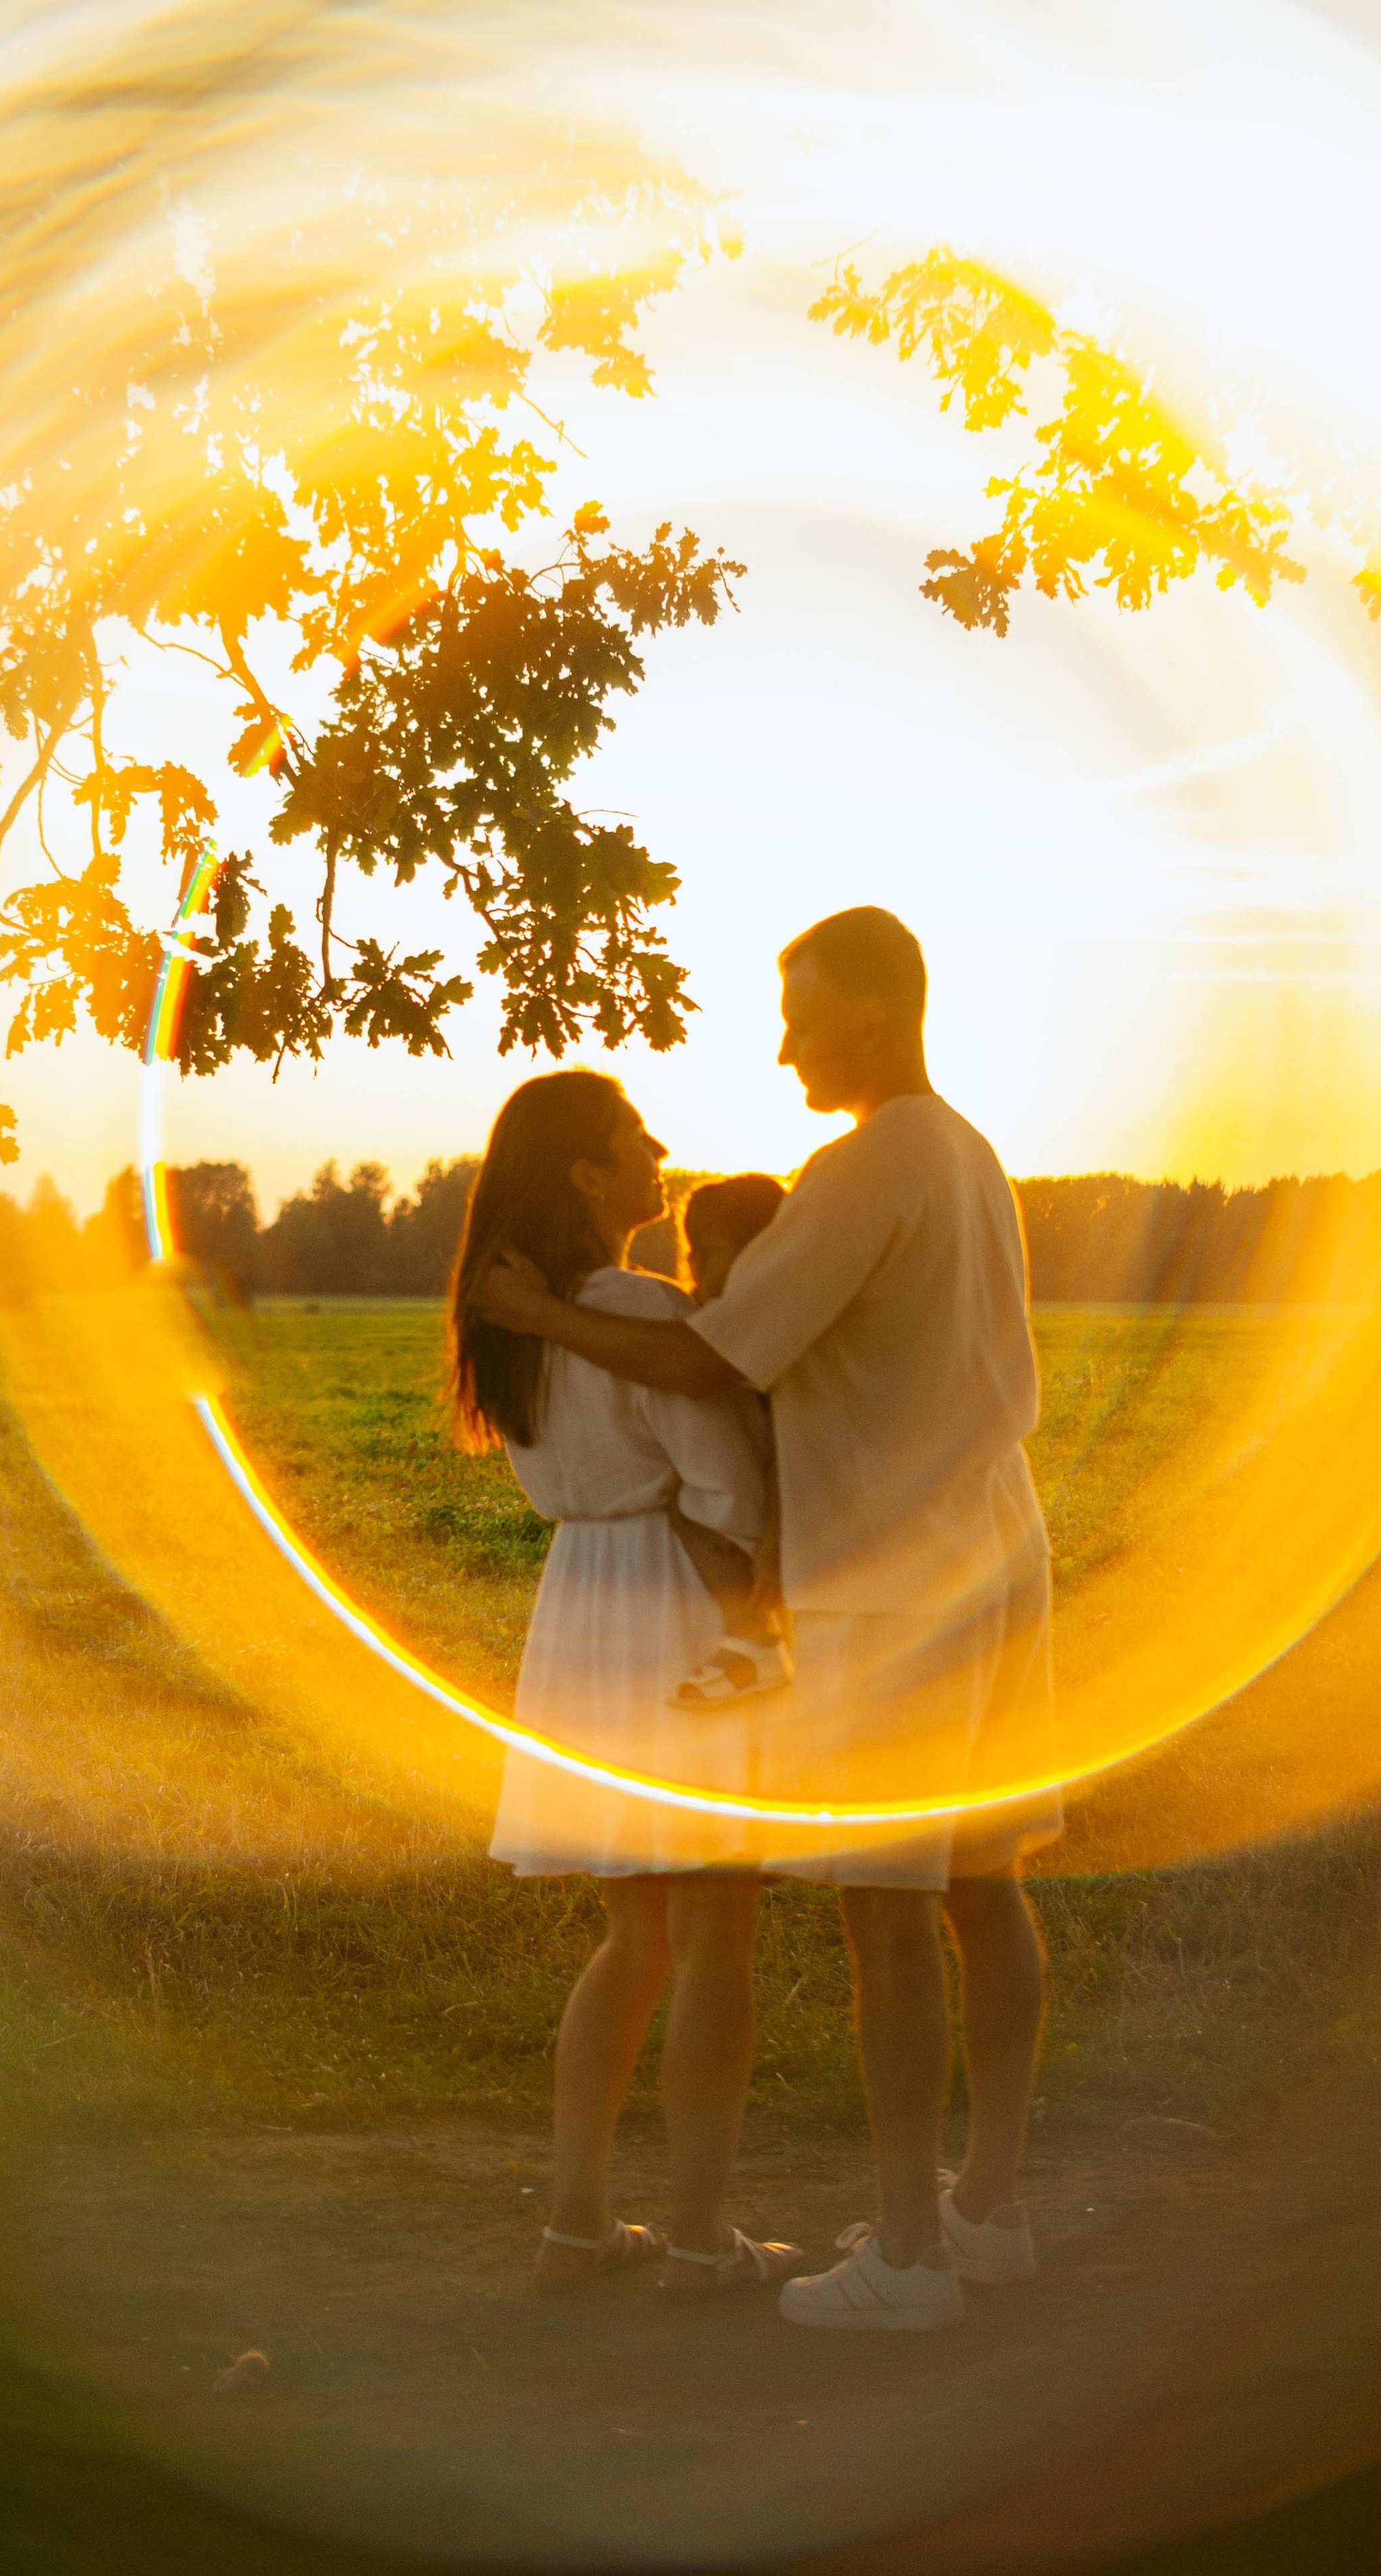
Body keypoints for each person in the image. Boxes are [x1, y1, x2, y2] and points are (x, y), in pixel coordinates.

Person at [474, 909, 1058, 2335]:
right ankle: (983, 2210)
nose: (782, 1043)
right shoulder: (968, 1152)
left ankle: (907, 2260)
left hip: (883, 1569)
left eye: (797, 1014)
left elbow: (702, 1354)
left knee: (887, 1910)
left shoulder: (863, 1167)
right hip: (995, 1545)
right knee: (982, 1882)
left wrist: (542, 1320)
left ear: (865, 1012)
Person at [449, 1070, 802, 2297]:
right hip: (678, 1599)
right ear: (587, 1175)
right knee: (714, 1939)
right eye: (631, 1136)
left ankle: (577, 2222)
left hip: (580, 1609)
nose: (659, 1147)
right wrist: (751, 1582)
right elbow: (722, 1479)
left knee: (633, 1938)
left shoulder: (512, 1320)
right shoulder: (637, 1311)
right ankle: (702, 2239)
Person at [669, 1175, 791, 1710]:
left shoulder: (780, 1318)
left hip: (788, 1483)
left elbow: (792, 1434)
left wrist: (774, 1533)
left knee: (693, 1514)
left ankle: (757, 1637)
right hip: (759, 1472)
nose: (731, 1275)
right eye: (718, 1256)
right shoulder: (706, 1317)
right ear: (692, 1261)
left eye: (753, 1258)